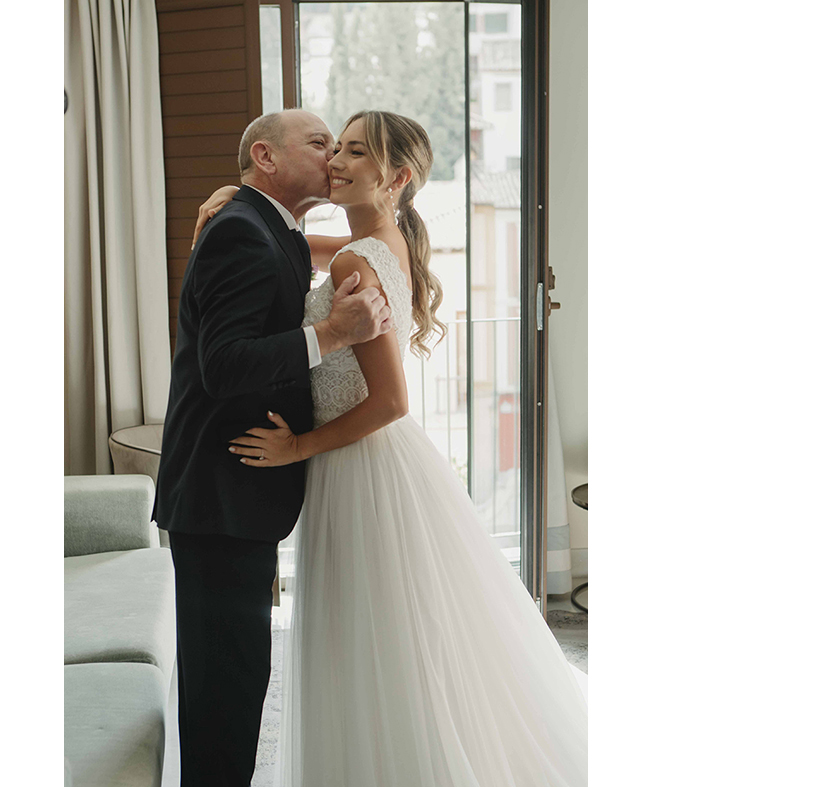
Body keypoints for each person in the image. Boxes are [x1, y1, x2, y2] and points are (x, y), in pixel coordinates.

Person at [200, 110, 590, 786]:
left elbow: (389, 401)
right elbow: (297, 242)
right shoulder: (380, 241)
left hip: (360, 462)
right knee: (394, 635)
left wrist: (297, 448)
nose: (336, 161)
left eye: (355, 152)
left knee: (376, 636)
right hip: (370, 460)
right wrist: (238, 195)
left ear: (397, 177)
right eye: (335, 148)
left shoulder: (360, 257)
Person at [153, 108, 395, 787]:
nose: (333, 158)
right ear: (266, 157)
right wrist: (335, 333)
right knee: (223, 692)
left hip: (239, 492)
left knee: (235, 681)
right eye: (319, 144)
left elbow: (366, 233)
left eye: (342, 148)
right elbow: (222, 366)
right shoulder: (242, 231)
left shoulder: (273, 228)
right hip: (221, 492)